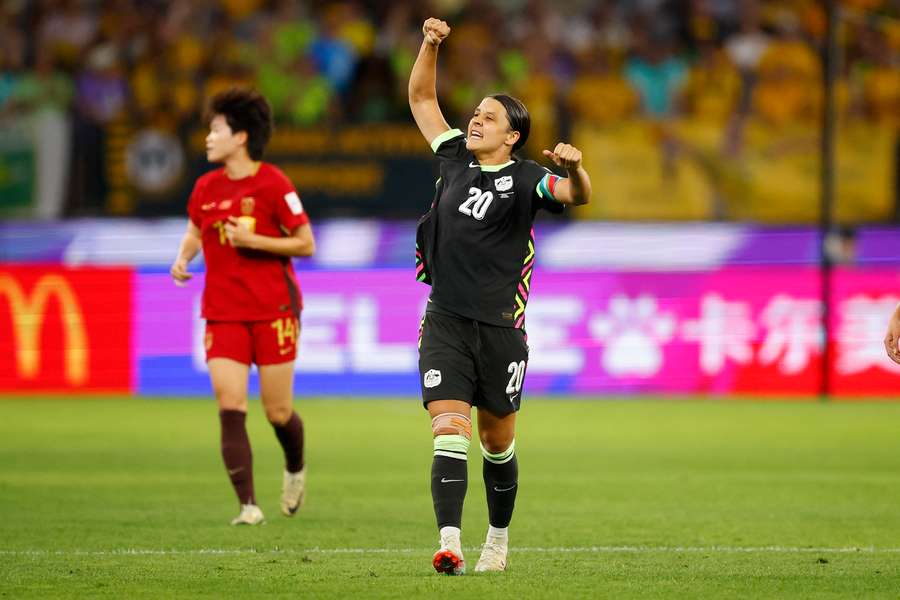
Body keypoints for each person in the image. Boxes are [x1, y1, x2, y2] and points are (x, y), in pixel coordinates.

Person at [408, 18, 592, 574]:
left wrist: (577, 170)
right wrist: (431, 43)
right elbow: (420, 96)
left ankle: (498, 541)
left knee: (496, 443)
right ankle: (450, 543)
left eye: (489, 117)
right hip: (444, 321)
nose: (476, 120)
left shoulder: (529, 177)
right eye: (477, 113)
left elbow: (574, 196)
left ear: (512, 135)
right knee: (448, 429)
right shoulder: (454, 158)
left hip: (499, 332)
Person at [170, 88, 316, 525]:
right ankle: (248, 506)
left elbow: (306, 243)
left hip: (274, 310)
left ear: (241, 137)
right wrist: (183, 257)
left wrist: (255, 241)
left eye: (216, 129)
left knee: (277, 412)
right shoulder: (206, 187)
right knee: (229, 402)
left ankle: (294, 468)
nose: (209, 137)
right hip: (223, 310)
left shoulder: (274, 184)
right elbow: (196, 230)